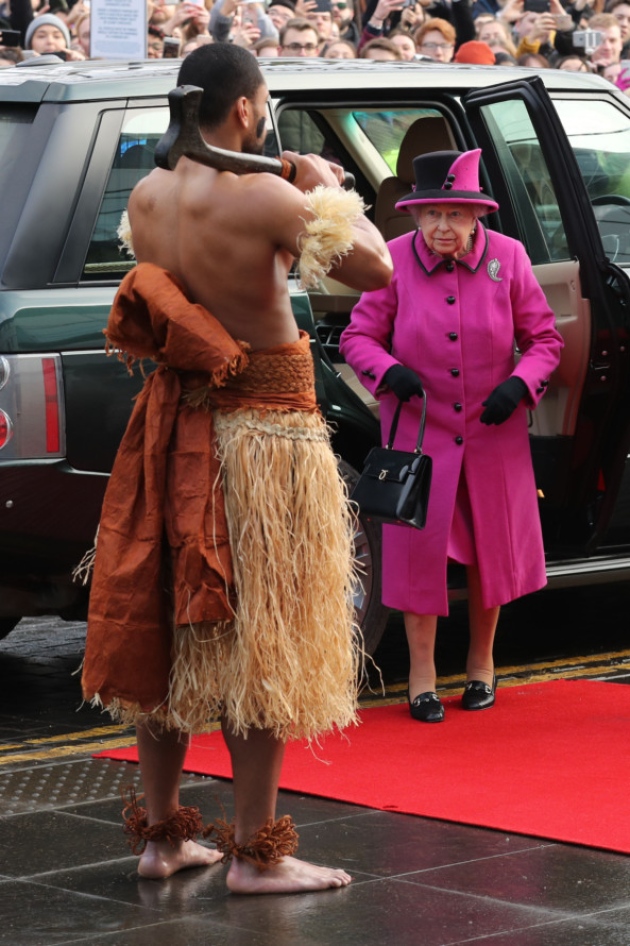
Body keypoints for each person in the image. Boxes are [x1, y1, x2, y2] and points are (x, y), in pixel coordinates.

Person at [80, 43, 392, 892]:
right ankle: (259, 855)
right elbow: (375, 267)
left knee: (171, 635)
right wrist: (323, 184)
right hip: (263, 441)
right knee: (266, 642)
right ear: (248, 110)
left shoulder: (148, 196)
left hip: (173, 427)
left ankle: (161, 838)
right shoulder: (268, 197)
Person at [339, 149, 563, 723]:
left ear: (476, 216)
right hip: (421, 436)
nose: (443, 227)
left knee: (493, 551)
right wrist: (388, 371)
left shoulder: (508, 259)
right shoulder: (390, 262)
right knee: (419, 556)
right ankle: (422, 678)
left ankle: (482, 668)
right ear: (413, 215)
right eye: (431, 214)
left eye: (455, 215)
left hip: (493, 433)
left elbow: (545, 342)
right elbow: (357, 337)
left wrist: (520, 385)